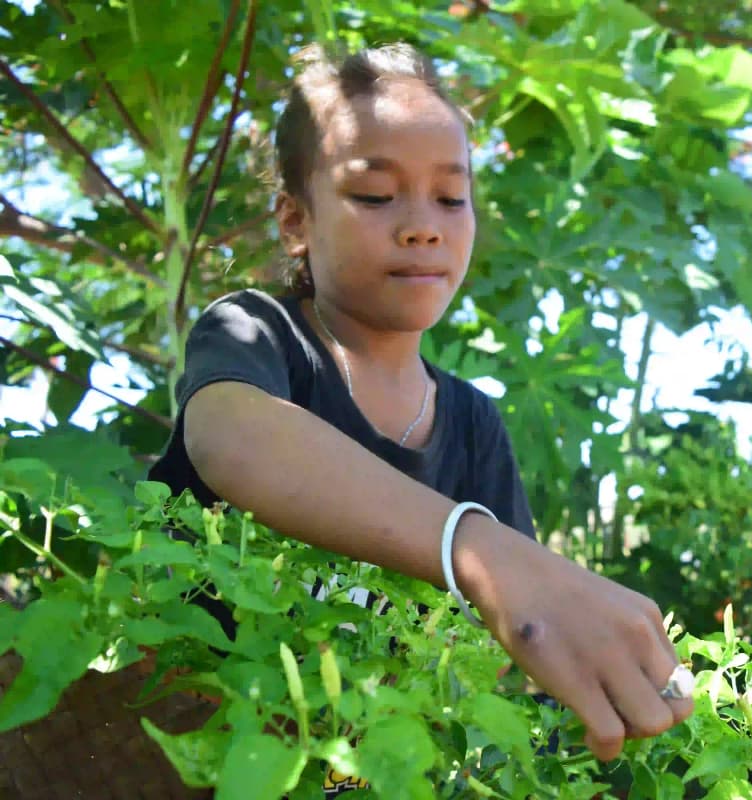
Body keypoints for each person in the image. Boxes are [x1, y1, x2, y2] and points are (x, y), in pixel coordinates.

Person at [147, 41, 693, 780]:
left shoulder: (473, 422)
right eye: (375, 195)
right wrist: (478, 550)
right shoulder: (258, 334)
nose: (422, 226)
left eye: (450, 195)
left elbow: (497, 649)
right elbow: (231, 435)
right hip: (193, 758)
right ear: (294, 220)